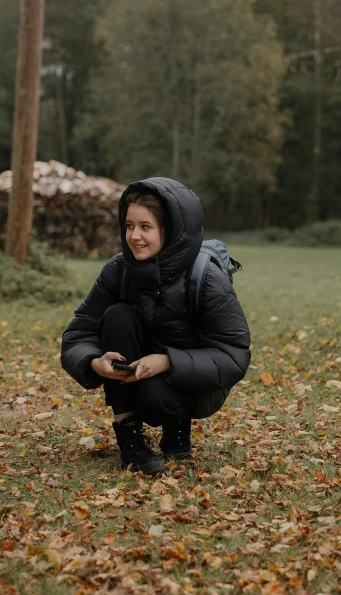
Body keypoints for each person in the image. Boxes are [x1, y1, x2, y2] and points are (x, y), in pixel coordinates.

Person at [61, 177, 251, 474]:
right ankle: (130, 439)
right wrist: (95, 362)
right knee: (117, 315)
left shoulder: (206, 278)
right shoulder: (117, 270)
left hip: (194, 385)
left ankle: (178, 429)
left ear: (170, 230)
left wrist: (167, 362)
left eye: (145, 227)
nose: (134, 236)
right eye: (128, 226)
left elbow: (234, 355)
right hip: (134, 372)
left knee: (155, 396)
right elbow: (78, 333)